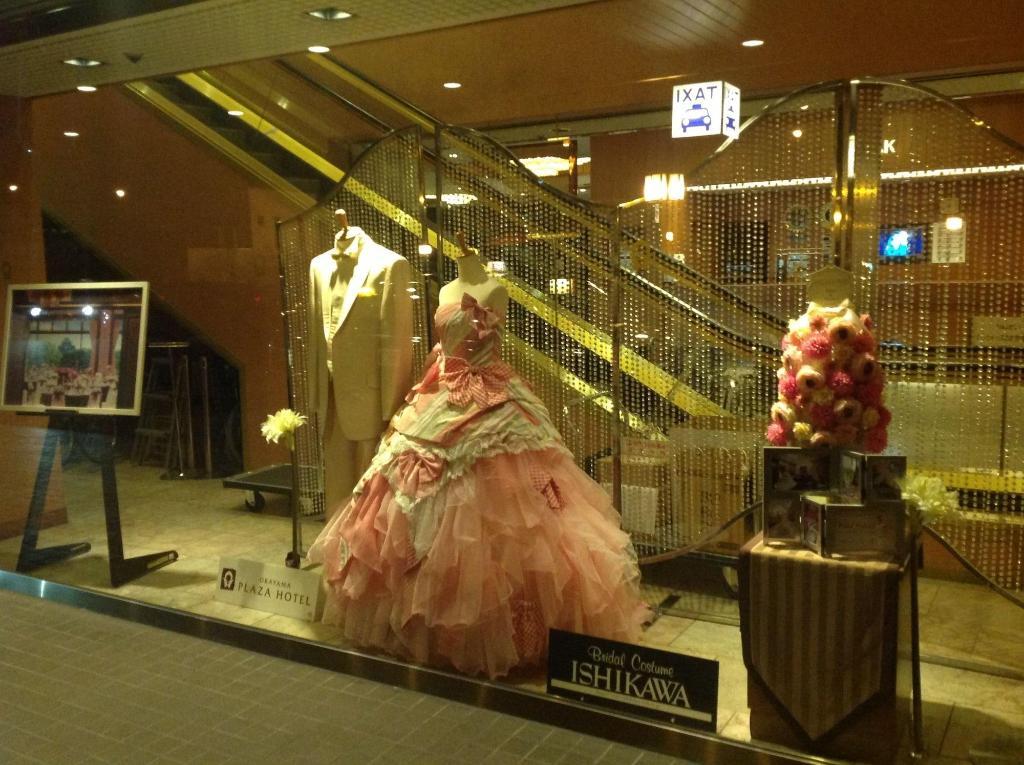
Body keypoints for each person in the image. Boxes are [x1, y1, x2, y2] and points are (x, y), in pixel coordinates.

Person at [307, 235, 647, 679]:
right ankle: (418, 620)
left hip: (492, 400)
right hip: (442, 396)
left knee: (511, 512)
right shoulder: (447, 288)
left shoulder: (495, 289)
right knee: (415, 499)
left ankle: (514, 632)